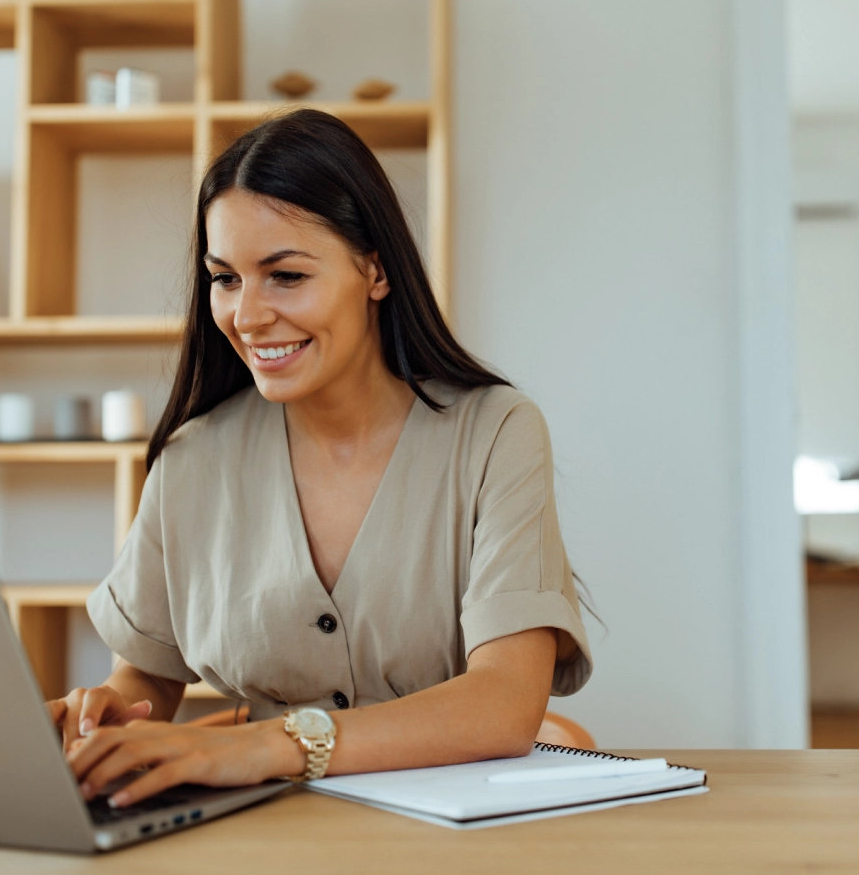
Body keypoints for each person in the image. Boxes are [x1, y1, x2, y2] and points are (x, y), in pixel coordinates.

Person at [50, 108, 593, 808]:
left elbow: (504, 702)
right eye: (225, 279)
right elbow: (145, 682)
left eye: (285, 276)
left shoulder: (494, 433)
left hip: (453, 840)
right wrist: (100, 721)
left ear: (374, 268)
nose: (246, 316)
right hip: (261, 832)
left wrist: (270, 745)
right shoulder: (191, 460)